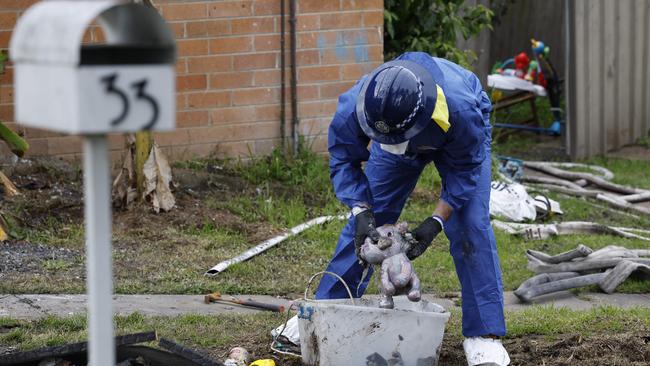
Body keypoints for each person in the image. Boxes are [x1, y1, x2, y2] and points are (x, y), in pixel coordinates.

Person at [272, 52, 510, 366]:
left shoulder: (462, 109)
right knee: (367, 231)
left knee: (471, 226)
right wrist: (361, 211)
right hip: (393, 140)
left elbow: (466, 172)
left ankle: (484, 335)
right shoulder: (358, 104)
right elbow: (344, 159)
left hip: (452, 136)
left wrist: (436, 221)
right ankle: (324, 313)